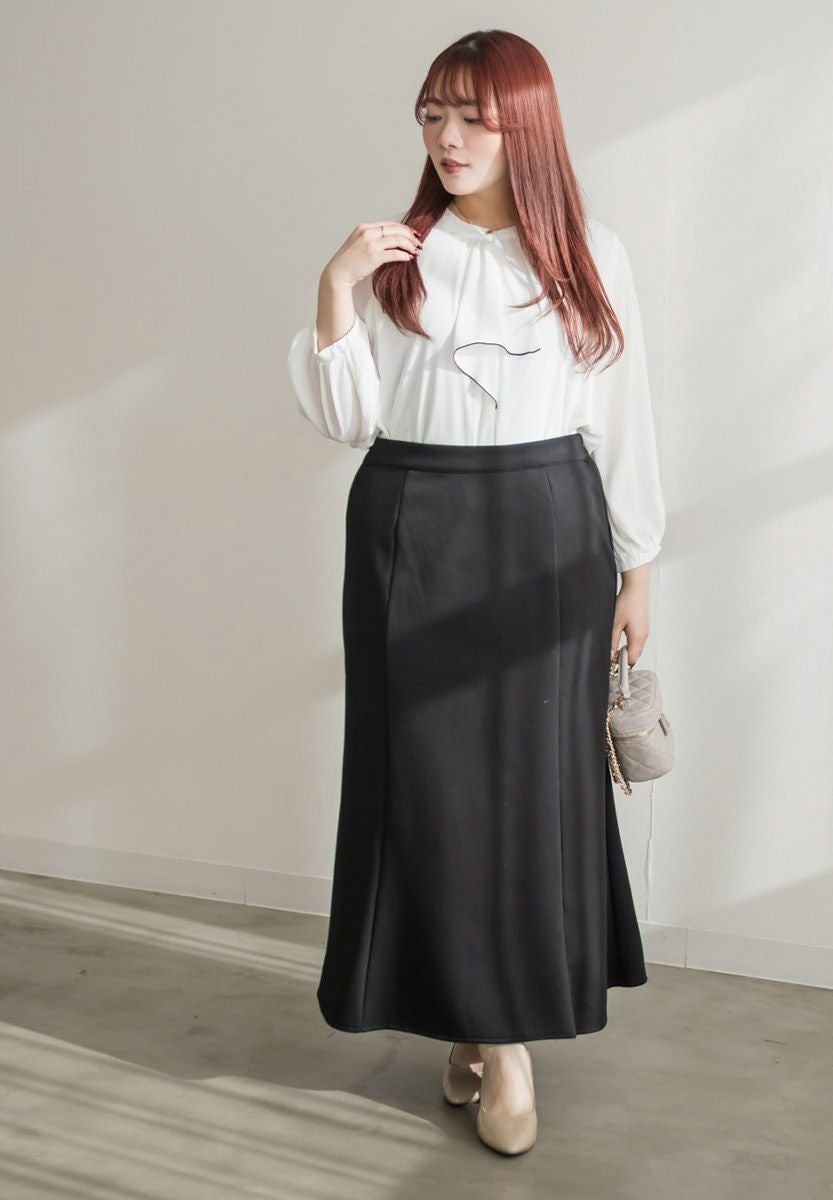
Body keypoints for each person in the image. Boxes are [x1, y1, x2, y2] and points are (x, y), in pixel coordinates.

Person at [287, 29, 666, 1156]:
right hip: (411, 527)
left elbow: (625, 414)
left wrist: (639, 564)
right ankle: (483, 1030)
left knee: (527, 790)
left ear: (524, 125)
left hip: (549, 530)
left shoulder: (589, 253)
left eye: (473, 117)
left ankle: (495, 1035)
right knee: (425, 789)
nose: (447, 138)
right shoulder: (396, 255)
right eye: (431, 115)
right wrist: (335, 287)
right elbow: (347, 420)